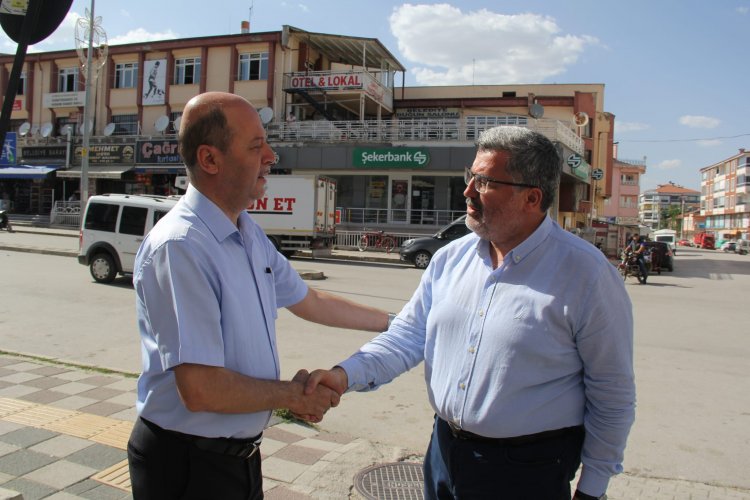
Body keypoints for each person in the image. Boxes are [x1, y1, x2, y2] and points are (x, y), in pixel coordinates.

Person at [303, 126, 635, 500]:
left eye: (485, 182)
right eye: (470, 176)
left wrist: (592, 488)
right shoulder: (450, 259)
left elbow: (612, 392)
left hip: (527, 470)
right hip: (444, 451)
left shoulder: (587, 275)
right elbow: (409, 335)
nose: (468, 192)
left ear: (531, 197)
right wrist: (344, 375)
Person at [126, 91, 392, 500]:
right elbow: (201, 388)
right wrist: (292, 396)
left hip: (237, 459)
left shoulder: (246, 232)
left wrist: (398, 323)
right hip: (187, 465)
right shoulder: (182, 247)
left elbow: (311, 301)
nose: (271, 156)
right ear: (210, 159)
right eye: (256, 146)